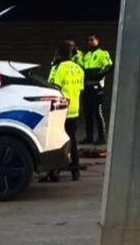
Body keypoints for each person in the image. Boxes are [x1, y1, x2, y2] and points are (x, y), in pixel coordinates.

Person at [41, 41, 85, 182]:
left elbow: (53, 88)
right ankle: (75, 170)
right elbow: (80, 89)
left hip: (61, 109)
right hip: (74, 108)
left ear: (59, 53)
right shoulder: (78, 68)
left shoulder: (58, 68)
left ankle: (54, 172)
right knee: (72, 139)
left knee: (56, 140)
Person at [80, 33, 113, 145]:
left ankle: (101, 137)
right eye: (88, 40)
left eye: (92, 40)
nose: (90, 42)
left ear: (97, 40)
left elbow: (109, 66)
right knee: (87, 113)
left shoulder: (102, 53)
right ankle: (89, 137)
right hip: (87, 86)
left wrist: (99, 74)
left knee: (97, 112)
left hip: (97, 87)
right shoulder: (86, 55)